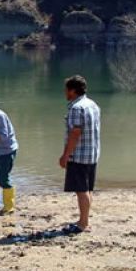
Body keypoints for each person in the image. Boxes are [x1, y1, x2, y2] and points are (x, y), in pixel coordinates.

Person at [60, 75, 101, 233]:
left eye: (66, 89)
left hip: (79, 155)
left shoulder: (76, 108)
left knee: (81, 190)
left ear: (72, 90)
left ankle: (83, 223)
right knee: (87, 189)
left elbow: (75, 133)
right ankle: (84, 220)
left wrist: (65, 155)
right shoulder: (93, 104)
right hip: (92, 153)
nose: (65, 93)